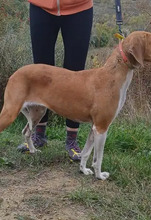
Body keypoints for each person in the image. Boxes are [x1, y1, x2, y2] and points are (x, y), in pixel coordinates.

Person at [17, 0, 93, 161]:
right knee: (41, 75)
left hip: (79, 8)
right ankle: (38, 136)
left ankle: (72, 140)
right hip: (41, 7)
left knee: (75, 74)